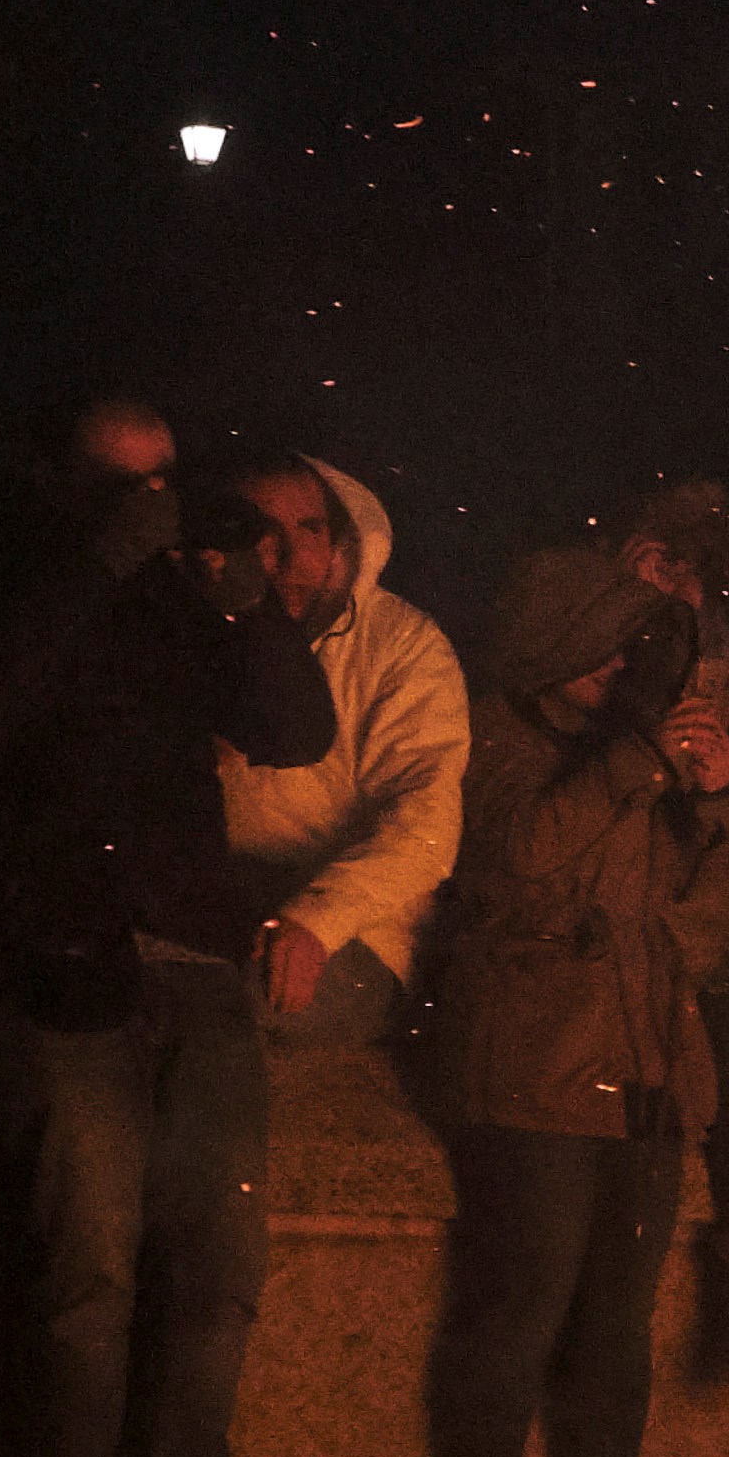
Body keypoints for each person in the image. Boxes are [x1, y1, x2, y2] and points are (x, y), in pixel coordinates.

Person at [0, 398, 334, 1457]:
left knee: (214, 1270)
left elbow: (296, 730)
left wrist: (246, 594)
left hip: (189, 952)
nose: (150, 507)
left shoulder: (178, 595)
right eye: (123, 486)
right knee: (86, 1268)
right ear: (60, 483)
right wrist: (90, 569)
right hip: (53, 951)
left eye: (165, 481)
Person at [411, 546, 729, 1457]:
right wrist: (636, 766)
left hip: (645, 1074)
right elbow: (515, 863)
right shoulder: (500, 737)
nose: (622, 669)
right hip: (535, 1070)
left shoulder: (634, 757)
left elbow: (702, 926)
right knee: (518, 1314)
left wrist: (718, 803)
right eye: (606, 646)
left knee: (616, 1329)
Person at [599, 479, 729, 1390]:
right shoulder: (590, 646)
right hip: (606, 925)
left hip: (700, 928)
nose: (710, 601)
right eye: (694, 575)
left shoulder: (724, 676)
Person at [207, 450, 466, 1051]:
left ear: (344, 542)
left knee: (224, 1001)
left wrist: (315, 921)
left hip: (355, 928)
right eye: (266, 533)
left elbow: (426, 823)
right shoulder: (192, 627)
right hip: (214, 894)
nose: (294, 558)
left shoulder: (404, 647)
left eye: (312, 528)